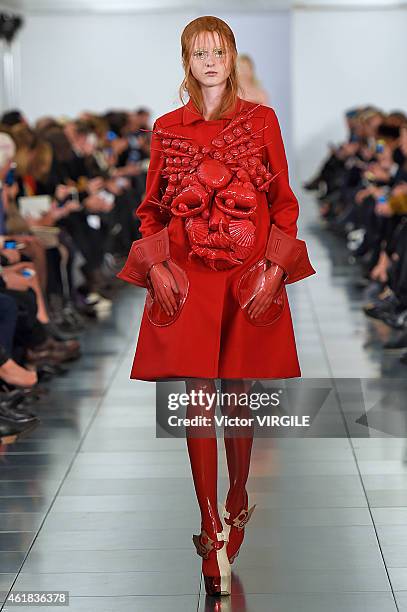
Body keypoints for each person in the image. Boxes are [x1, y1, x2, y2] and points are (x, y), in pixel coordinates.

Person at [117, 15, 315, 597]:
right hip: (188, 275)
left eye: (219, 50)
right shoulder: (166, 128)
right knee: (198, 395)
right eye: (199, 52)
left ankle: (237, 493)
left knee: (239, 391)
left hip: (247, 274)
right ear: (187, 60)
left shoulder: (261, 122)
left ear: (232, 57)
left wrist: (276, 268)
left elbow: (282, 201)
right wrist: (156, 265)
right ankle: (209, 526)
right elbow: (150, 208)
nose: (210, 61)